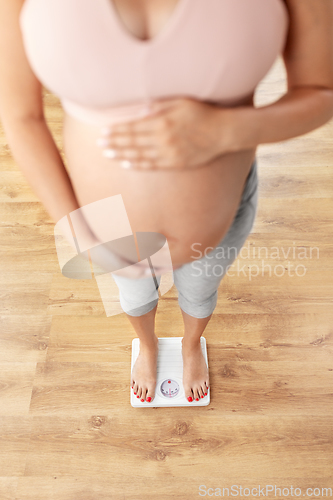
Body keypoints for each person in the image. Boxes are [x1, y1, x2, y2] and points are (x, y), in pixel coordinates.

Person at [0, 0, 333, 405]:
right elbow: (20, 115)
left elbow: (322, 92)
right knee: (134, 297)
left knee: (201, 291)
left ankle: (192, 346)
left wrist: (224, 131)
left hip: (221, 215)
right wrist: (74, 226)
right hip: (106, 220)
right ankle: (148, 345)